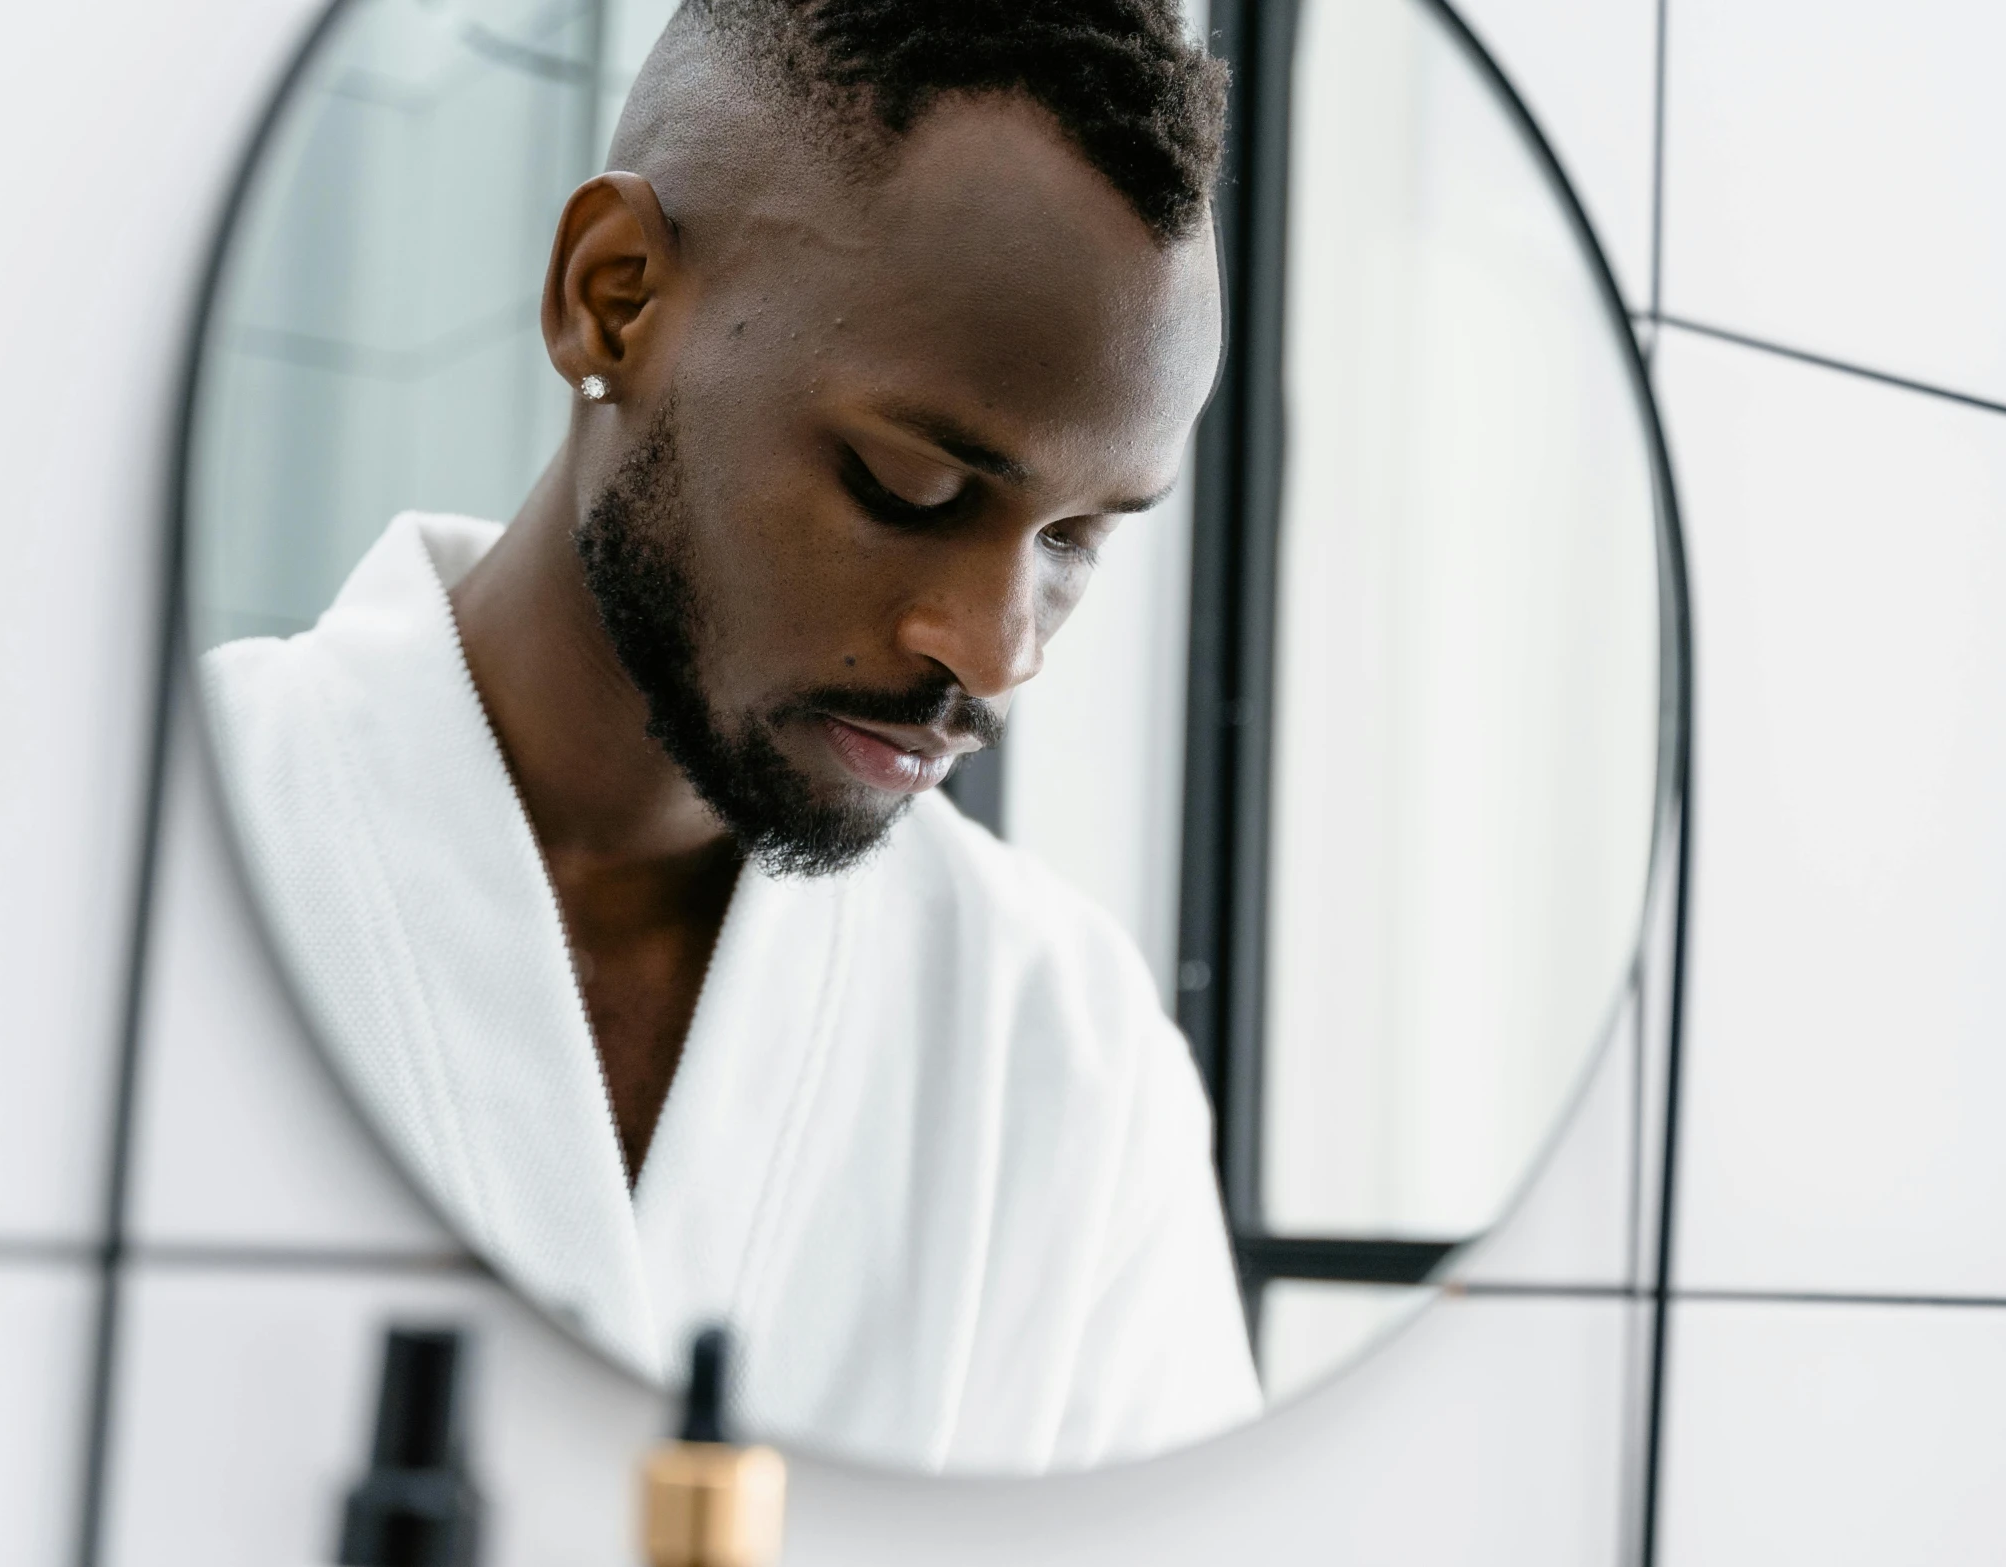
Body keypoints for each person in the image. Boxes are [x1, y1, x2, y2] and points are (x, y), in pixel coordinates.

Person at [203, 0, 1258, 1472]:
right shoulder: (119, 849)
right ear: (615, 296)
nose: (997, 655)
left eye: (1077, 538)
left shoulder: (1066, 1052)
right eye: (909, 485)